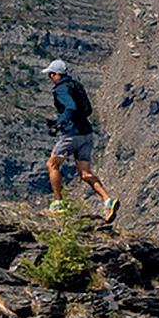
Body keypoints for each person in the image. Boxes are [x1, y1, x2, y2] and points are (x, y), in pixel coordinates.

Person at [44, 58, 118, 223]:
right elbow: (85, 109)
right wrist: (58, 121)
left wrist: (59, 124)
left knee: (52, 165)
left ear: (57, 74)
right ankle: (107, 201)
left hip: (71, 135)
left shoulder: (61, 89)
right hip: (86, 134)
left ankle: (59, 203)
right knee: (85, 174)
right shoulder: (76, 85)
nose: (50, 77)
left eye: (51, 74)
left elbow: (71, 107)